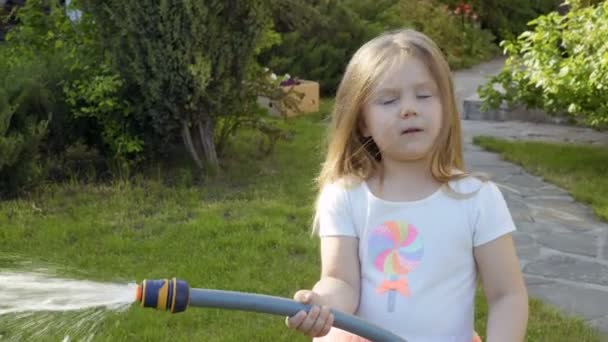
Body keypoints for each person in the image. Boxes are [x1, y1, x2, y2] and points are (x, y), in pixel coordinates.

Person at [284, 28, 529, 342]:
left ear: (444, 108)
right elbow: (340, 282)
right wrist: (321, 304)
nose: (409, 108)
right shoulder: (345, 197)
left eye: (424, 95)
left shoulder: (478, 200)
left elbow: (507, 294)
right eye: (388, 100)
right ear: (362, 122)